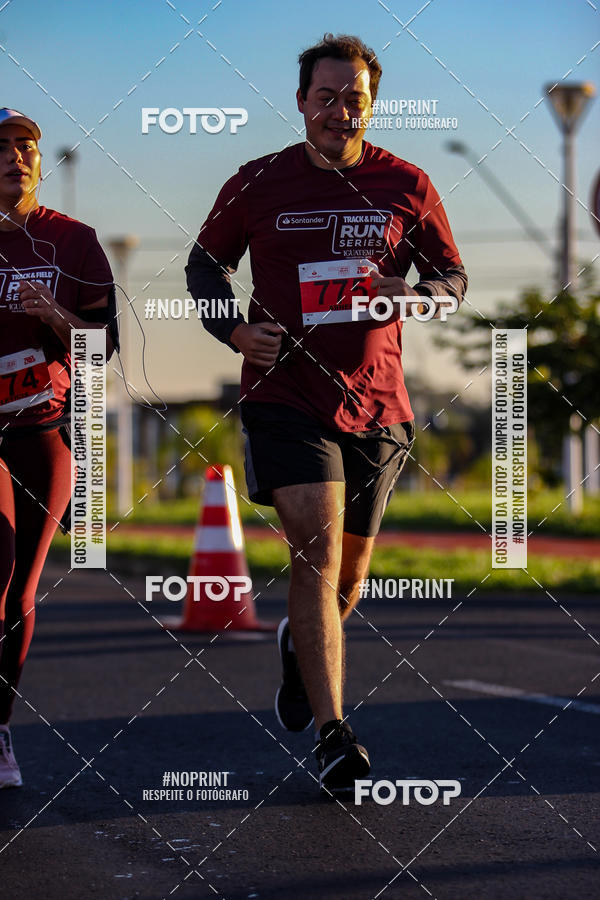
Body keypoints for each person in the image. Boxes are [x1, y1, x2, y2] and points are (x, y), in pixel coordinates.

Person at [186, 35, 467, 794]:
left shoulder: (408, 183)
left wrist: (426, 297)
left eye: (355, 98)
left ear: (371, 104)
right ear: (302, 99)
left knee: (347, 578)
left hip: (377, 402)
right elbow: (204, 263)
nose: (340, 110)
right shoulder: (258, 182)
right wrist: (234, 331)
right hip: (284, 396)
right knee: (314, 549)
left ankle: (294, 647)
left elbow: (451, 274)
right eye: (327, 96)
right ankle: (336, 734)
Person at [0, 108, 118, 788]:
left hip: (40, 434)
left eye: (26, 147)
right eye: (2, 147)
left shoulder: (73, 243)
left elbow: (102, 352)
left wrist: (55, 317)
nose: (16, 157)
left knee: (18, 592)